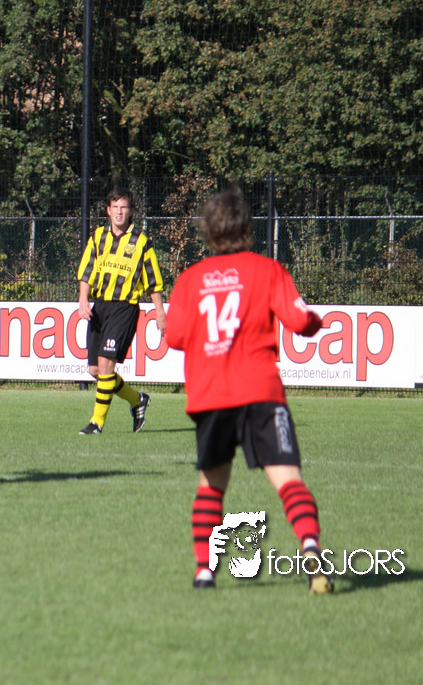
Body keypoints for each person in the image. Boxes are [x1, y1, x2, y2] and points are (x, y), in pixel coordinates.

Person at [163, 187, 333, 593]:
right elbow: (299, 321)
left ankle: (204, 572)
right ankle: (311, 548)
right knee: (288, 480)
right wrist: (316, 322)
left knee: (212, 485)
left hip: (212, 394)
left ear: (209, 231)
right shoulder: (268, 270)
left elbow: (174, 337)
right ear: (247, 229)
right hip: (260, 391)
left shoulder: (190, 280)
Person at [75, 187, 166, 435]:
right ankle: (138, 400)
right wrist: (83, 299)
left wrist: (160, 312)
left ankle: (97, 423)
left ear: (131, 211)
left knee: (106, 364)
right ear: (108, 210)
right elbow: (86, 271)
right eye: (115, 207)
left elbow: (153, 281)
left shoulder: (141, 242)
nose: (119, 212)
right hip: (100, 307)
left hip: (125, 307)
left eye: (123, 207)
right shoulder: (97, 237)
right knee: (95, 370)